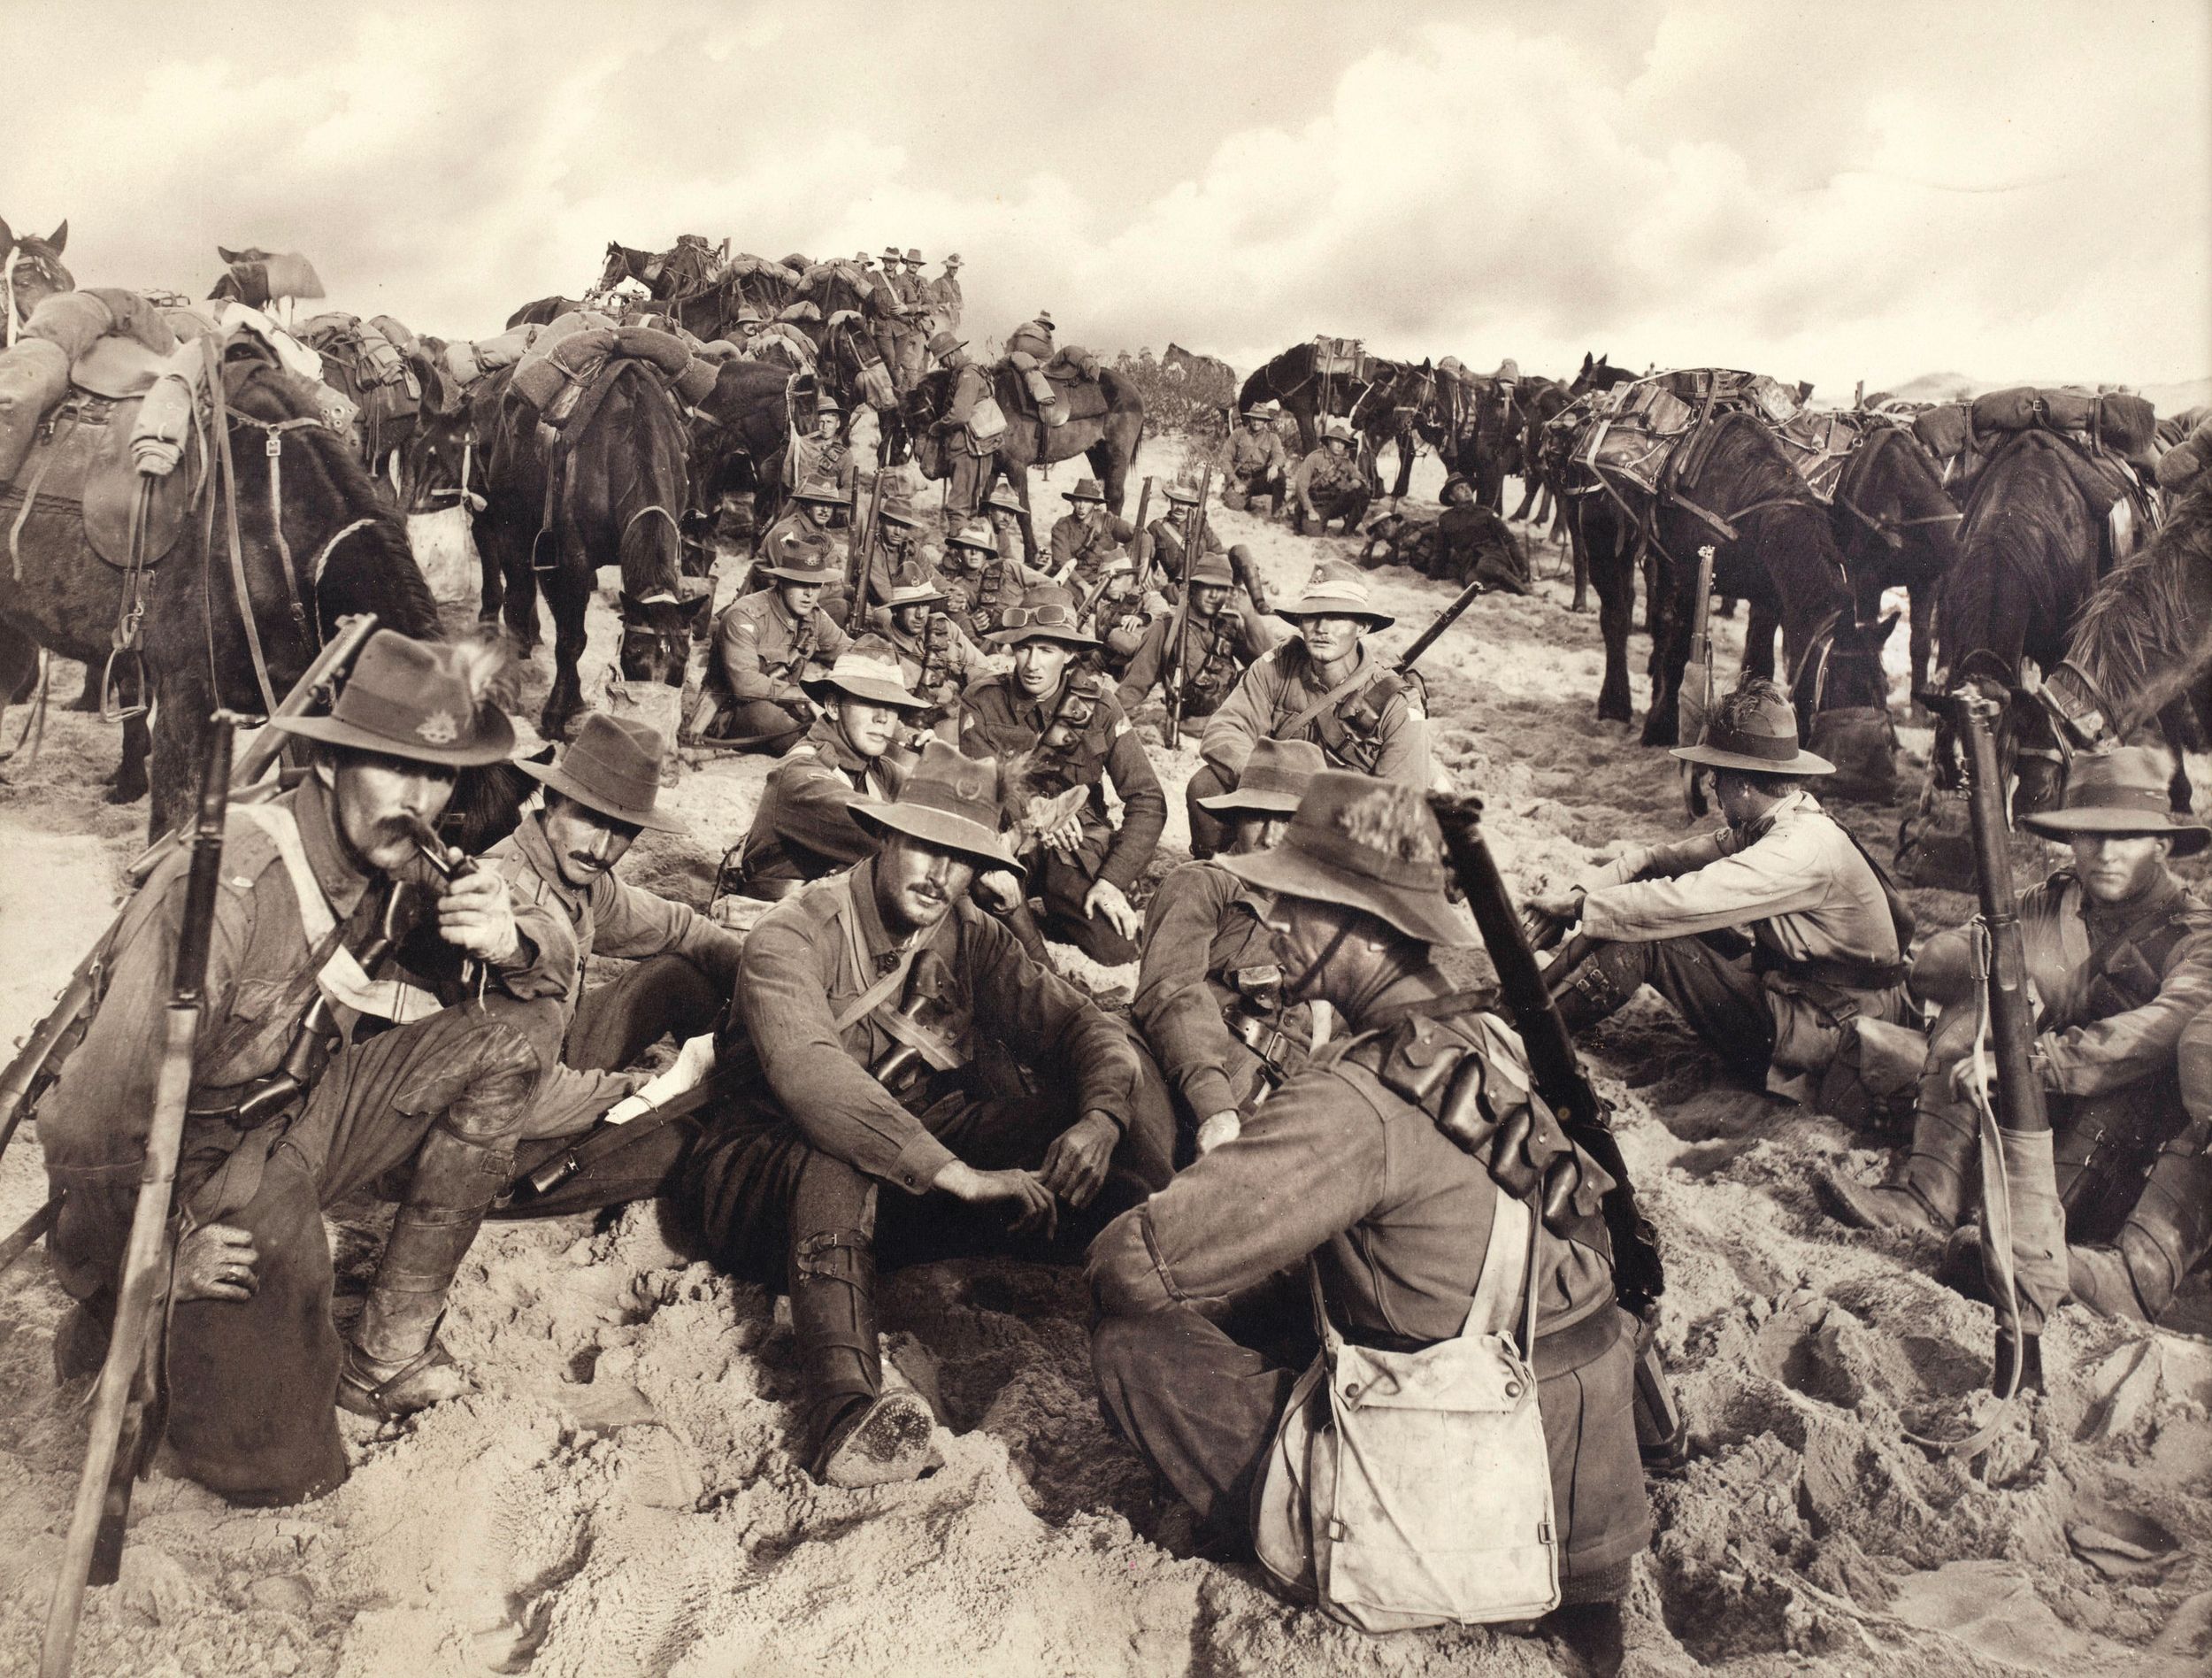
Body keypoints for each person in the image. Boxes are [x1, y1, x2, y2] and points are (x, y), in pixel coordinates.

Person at [1089, 771, 1649, 1659]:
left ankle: (1318, 1557)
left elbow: (1131, 1265)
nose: (1271, 917)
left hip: (1479, 1483)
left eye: (1295, 899)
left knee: (1134, 1344)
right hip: (1592, 1472)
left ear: (1359, 924)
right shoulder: (1478, 1035)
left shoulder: (1359, 1096)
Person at [38, 632, 579, 1504]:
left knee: (514, 1034)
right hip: (196, 1178)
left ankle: (387, 1349)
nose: (421, 800)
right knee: (284, 1474)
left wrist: (515, 940)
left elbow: (543, 992)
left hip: (302, 1116)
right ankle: (113, 1313)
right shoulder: (220, 889)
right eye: (394, 768)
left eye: (438, 775)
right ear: (326, 764)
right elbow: (86, 1123)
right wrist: (156, 1256)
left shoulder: (399, 856)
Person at [680, 743, 1176, 1486]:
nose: (941, 876)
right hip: (760, 1173)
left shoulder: (967, 932)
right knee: (840, 1152)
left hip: (912, 1174)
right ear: (883, 836)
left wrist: (1099, 1121)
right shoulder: (794, 933)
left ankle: (1172, 1304)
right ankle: (845, 1412)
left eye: (962, 856)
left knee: (1101, 1145)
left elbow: (1084, 1027)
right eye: (923, 847)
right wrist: (958, 1176)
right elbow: (814, 1080)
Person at [1821, 749, 2212, 1320]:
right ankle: (1927, 1196)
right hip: (2029, 1111)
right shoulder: (2048, 904)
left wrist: (2035, 1060)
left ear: (2163, 845)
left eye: (2125, 837)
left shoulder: (2193, 933)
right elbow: (1931, 964)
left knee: (2130, 1086)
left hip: (2124, 1138)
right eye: (2088, 835)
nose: (2104, 853)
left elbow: (2161, 1030)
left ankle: (2065, 1257)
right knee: (1981, 1005)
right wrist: (2006, 973)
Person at [1529, 681, 1916, 1109]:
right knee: (1632, 910)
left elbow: (1679, 903)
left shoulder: (1797, 849)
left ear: (1745, 785)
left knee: (1648, 935)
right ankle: (1527, 1004)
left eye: (1719, 774)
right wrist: (1581, 895)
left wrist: (1583, 908)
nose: (1711, 783)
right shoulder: (1781, 818)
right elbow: (1656, 860)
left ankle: (1525, 1034)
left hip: (1831, 1030)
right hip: (1809, 991)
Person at [486, 713, 743, 1132]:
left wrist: (766, 990)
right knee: (680, 1144)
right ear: (552, 800)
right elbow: (508, 1087)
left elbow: (681, 927)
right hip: (510, 1098)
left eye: (622, 830)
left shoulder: (579, 878)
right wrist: (649, 1090)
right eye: (589, 818)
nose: (602, 849)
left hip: (558, 1047)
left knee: (677, 976)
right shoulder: (503, 894)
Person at [1132, 739, 1325, 1158]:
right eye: (1259, 816)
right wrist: (1215, 1108)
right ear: (1236, 818)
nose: (1271, 836)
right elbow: (1171, 993)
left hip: (1290, 1105)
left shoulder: (1329, 920)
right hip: (1198, 1095)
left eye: (1289, 820)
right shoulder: (1204, 884)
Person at [960, 584, 1166, 964]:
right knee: (985, 911)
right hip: (1008, 840)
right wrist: (1039, 811)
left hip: (1072, 848)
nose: (1032, 664)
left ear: (1070, 654)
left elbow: (1148, 800)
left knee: (1117, 949)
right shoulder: (983, 700)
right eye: (1023, 648)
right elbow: (981, 785)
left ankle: (1053, 913)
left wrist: (1111, 881)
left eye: (1047, 650)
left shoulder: (1101, 706)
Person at [1189, 561, 1429, 859]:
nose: (1322, 629)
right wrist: (1264, 781)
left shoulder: (1397, 704)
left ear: (1363, 627)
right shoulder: (1277, 667)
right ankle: (1220, 875)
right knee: (1206, 784)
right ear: (1300, 623)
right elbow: (1224, 732)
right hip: (1274, 808)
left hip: (1339, 828)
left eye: (1337, 617)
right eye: (1313, 616)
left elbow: (1398, 809)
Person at [731, 639, 931, 899]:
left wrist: (937, 771)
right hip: (779, 922)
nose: (883, 718)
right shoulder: (801, 773)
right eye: (869, 701)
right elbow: (891, 835)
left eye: (892, 707)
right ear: (833, 707)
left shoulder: (878, 770)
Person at [694, 530, 853, 756]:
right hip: (732, 711)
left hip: (785, 702)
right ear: (782, 582)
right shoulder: (746, 616)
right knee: (791, 729)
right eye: (800, 583)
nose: (809, 594)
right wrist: (801, 695)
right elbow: (745, 684)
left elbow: (848, 651)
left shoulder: (814, 616)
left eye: (816, 586)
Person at [1114, 547, 1276, 720]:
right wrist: (1107, 717)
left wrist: (1250, 617)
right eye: (1207, 587)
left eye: (1221, 589)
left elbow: (1268, 663)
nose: (1214, 595)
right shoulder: (1166, 628)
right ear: (1192, 589)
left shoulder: (1228, 624)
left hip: (1235, 710)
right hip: (1197, 719)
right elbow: (1135, 685)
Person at [878, 575, 986, 731]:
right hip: (923, 731)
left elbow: (981, 671)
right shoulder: (885, 651)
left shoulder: (942, 628)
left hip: (965, 715)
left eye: (925, 604)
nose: (920, 614)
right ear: (895, 609)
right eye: (913, 605)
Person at [926, 329, 995, 521]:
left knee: (959, 506)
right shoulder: (966, 372)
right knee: (968, 503)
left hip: (968, 448)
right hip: (973, 444)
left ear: (950, 355)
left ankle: (959, 542)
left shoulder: (967, 375)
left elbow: (960, 414)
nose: (941, 364)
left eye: (941, 359)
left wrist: (938, 427)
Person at [940, 516, 1042, 640]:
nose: (974, 553)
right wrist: (972, 624)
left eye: (979, 548)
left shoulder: (1008, 567)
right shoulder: (960, 589)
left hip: (1035, 626)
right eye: (968, 547)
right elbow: (961, 622)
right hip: (1002, 640)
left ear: (986, 553)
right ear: (959, 551)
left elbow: (1048, 584)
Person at [1436, 471, 1530, 595]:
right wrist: (1434, 574)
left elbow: (1509, 540)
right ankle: (1499, 587)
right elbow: (1440, 550)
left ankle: (1521, 588)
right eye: (1460, 488)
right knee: (1471, 581)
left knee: (1485, 565)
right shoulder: (1446, 520)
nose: (1467, 490)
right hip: (1470, 563)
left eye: (1468, 487)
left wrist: (1522, 566)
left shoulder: (1486, 513)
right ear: (1452, 497)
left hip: (1495, 556)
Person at [750, 473, 848, 591]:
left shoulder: (821, 532)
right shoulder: (786, 533)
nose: (825, 510)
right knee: (842, 603)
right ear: (807, 504)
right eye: (819, 503)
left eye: (830, 505)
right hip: (780, 593)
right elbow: (790, 579)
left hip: (805, 588)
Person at [1048, 475, 1137, 588]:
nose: (1081, 506)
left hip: (1103, 577)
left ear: (1095, 504)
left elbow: (1141, 535)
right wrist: (1084, 587)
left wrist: (1142, 562)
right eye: (1078, 500)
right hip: (1073, 580)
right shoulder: (1062, 526)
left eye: (1087, 501)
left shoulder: (1107, 520)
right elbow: (1062, 563)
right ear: (1072, 502)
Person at [1292, 417, 1371, 536]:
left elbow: (1362, 479)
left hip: (1336, 503)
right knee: (1313, 533)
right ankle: (1314, 522)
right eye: (1337, 441)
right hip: (1316, 505)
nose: (1340, 446)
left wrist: (1357, 481)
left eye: (1343, 443)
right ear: (1329, 441)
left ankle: (1347, 531)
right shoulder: (1314, 458)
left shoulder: (1346, 462)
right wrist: (1310, 510)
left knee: (1363, 493)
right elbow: (1301, 487)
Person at [1224, 404, 1290, 517]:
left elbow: (1280, 455)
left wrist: (1274, 466)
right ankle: (1245, 500)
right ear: (1250, 418)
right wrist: (1235, 482)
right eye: (1254, 418)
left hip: (1259, 479)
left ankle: (1276, 512)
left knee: (1279, 476)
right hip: (1241, 479)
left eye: (1260, 419)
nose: (1256, 422)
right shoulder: (1238, 434)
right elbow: (1225, 459)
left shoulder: (1272, 438)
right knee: (1234, 505)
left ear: (1265, 421)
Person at [786, 392, 854, 497]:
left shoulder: (845, 455)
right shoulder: (803, 445)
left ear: (838, 424)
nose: (825, 427)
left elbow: (849, 490)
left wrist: (826, 497)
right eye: (821, 422)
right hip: (799, 501)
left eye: (829, 422)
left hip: (827, 507)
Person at [926, 251, 964, 333]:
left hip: (954, 320)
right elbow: (932, 303)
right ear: (947, 267)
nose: (954, 270)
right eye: (952, 267)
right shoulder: (938, 283)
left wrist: (959, 305)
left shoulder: (956, 284)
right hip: (941, 320)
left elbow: (961, 302)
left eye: (956, 268)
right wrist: (943, 306)